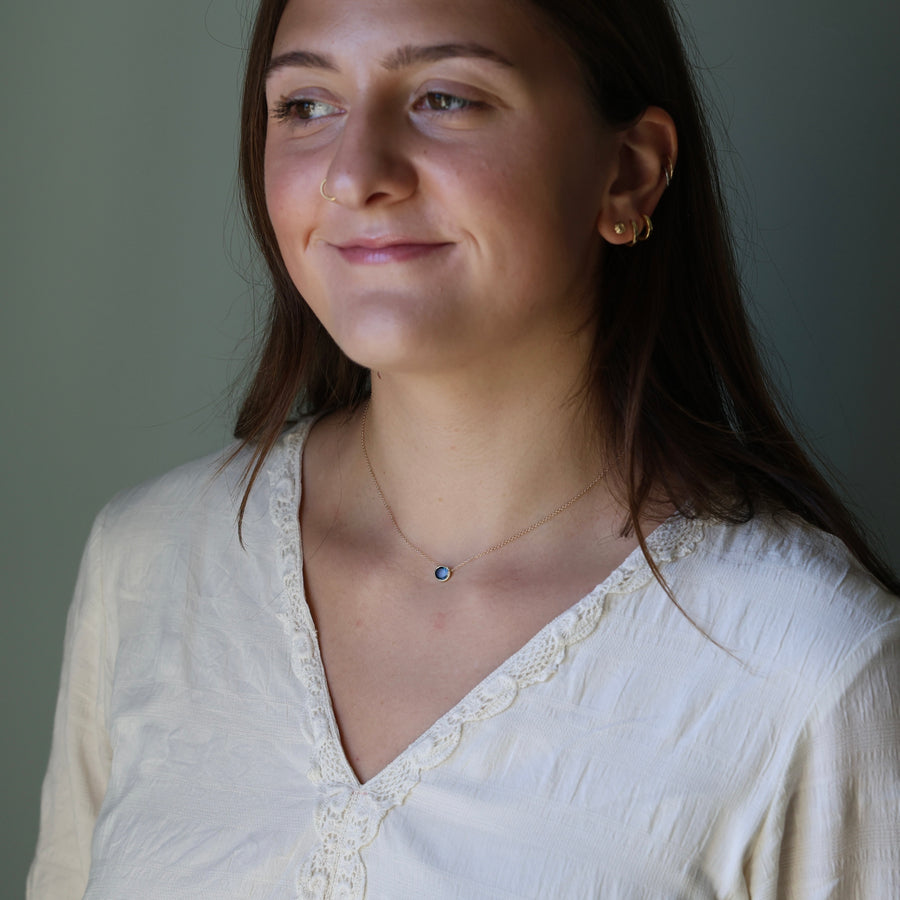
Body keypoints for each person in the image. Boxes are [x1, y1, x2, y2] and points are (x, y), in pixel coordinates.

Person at [27, 0, 900, 896]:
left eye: (445, 97)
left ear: (629, 175)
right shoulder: (150, 563)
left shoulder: (811, 665)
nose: (353, 175)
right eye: (305, 106)